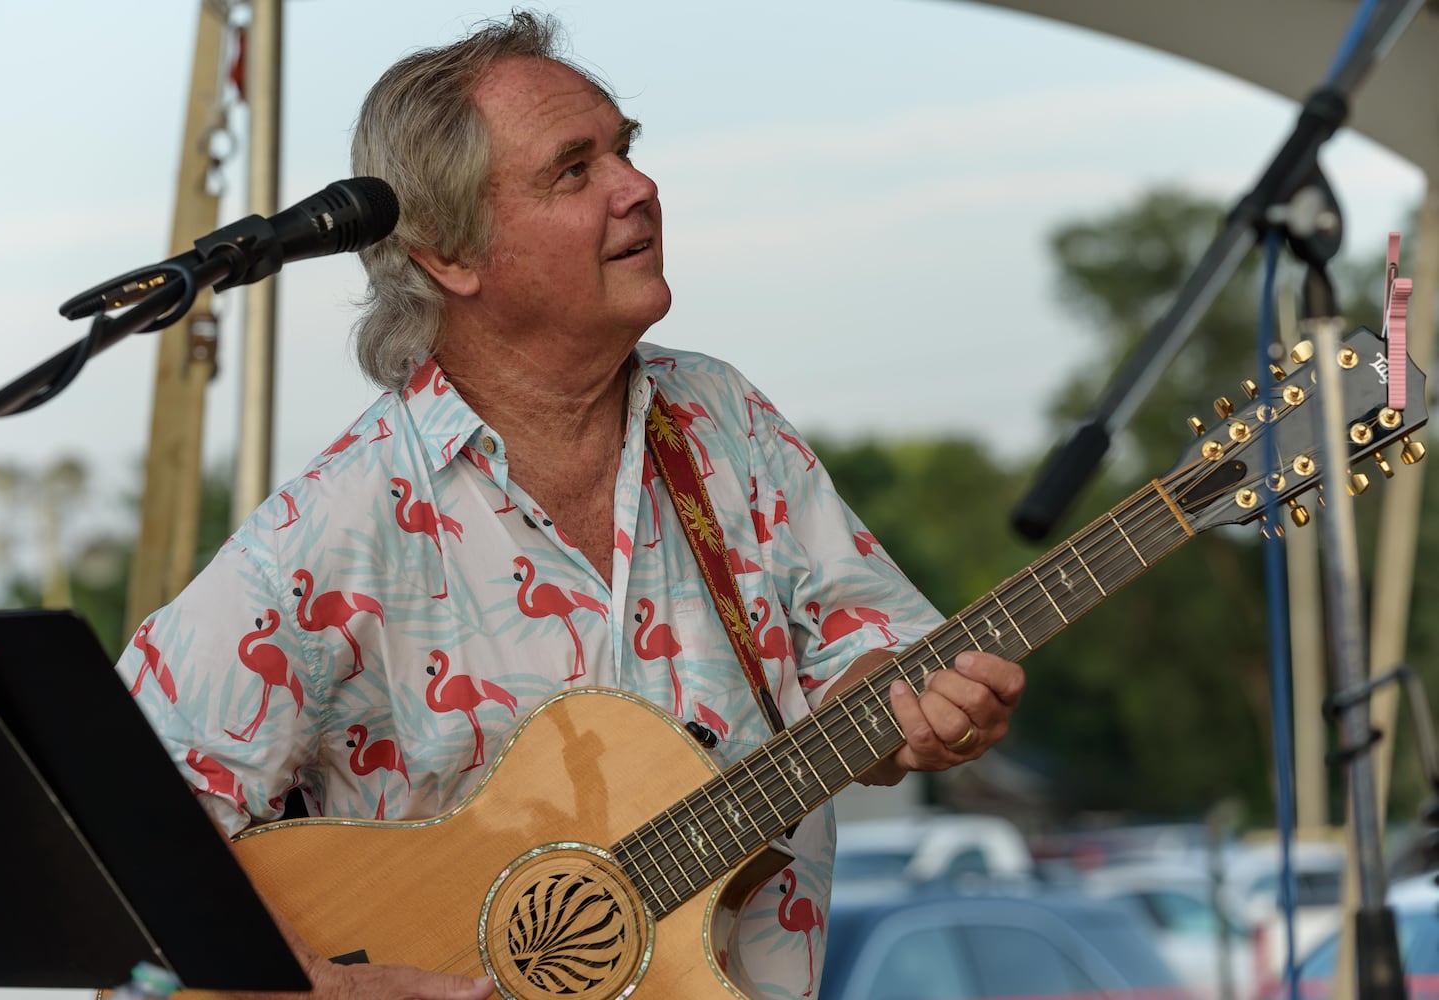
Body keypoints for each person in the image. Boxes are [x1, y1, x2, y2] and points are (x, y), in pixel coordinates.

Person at [115, 11, 1025, 999]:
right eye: (574, 170)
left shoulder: (725, 424)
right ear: (450, 254)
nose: (638, 188)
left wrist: (912, 717)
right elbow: (113, 822)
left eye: (625, 150)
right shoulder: (340, 523)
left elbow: (870, 668)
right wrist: (318, 984)